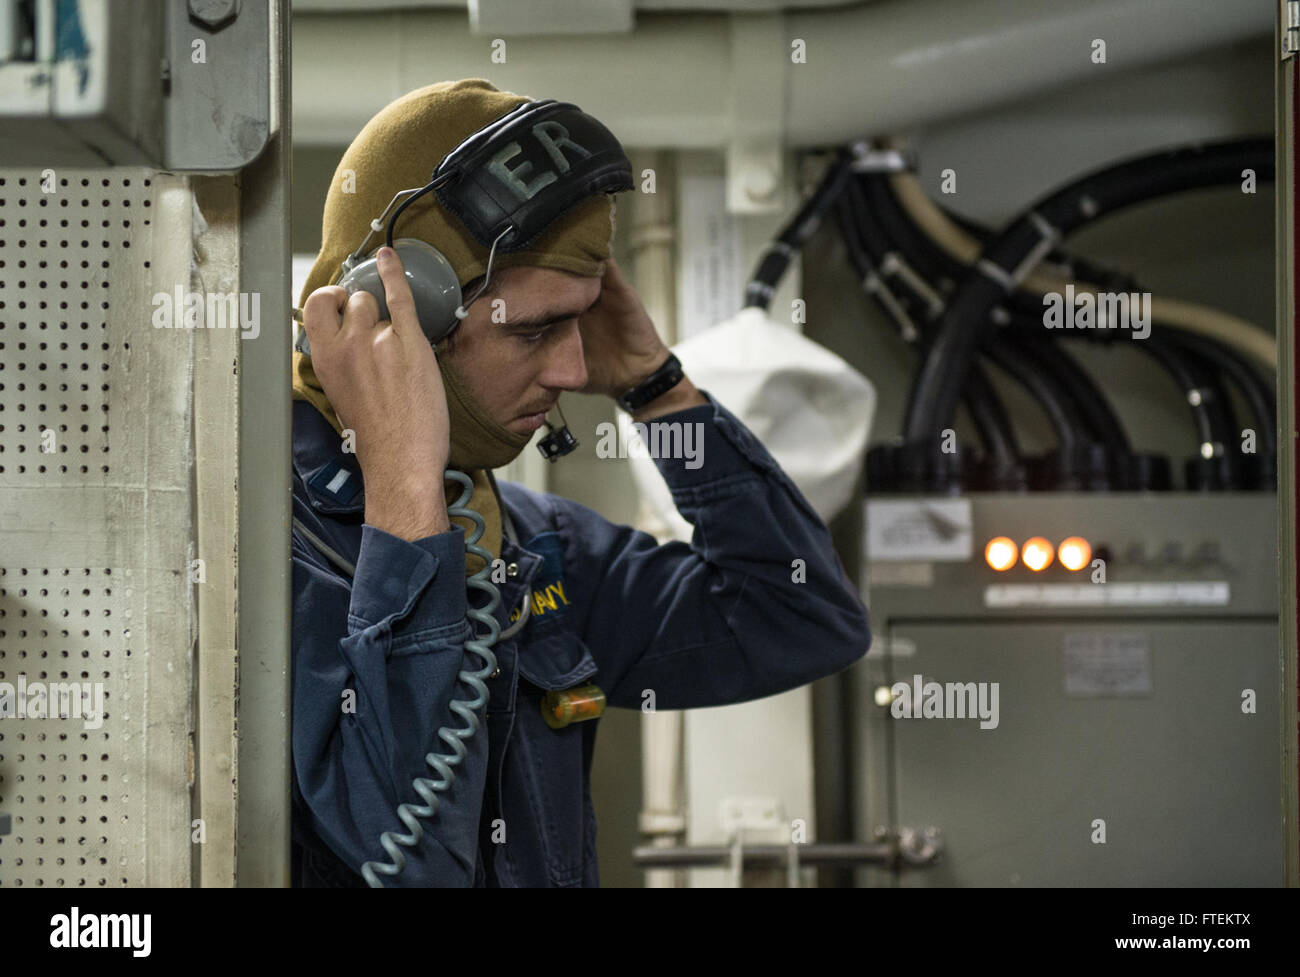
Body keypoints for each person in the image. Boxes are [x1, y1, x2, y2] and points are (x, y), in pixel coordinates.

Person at [290, 79, 871, 887]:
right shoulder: (258, 553)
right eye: (536, 329)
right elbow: (415, 859)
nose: (572, 368)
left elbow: (802, 615)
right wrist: (404, 494)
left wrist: (656, 387)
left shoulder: (530, 547)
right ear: (398, 315)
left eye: (582, 320)